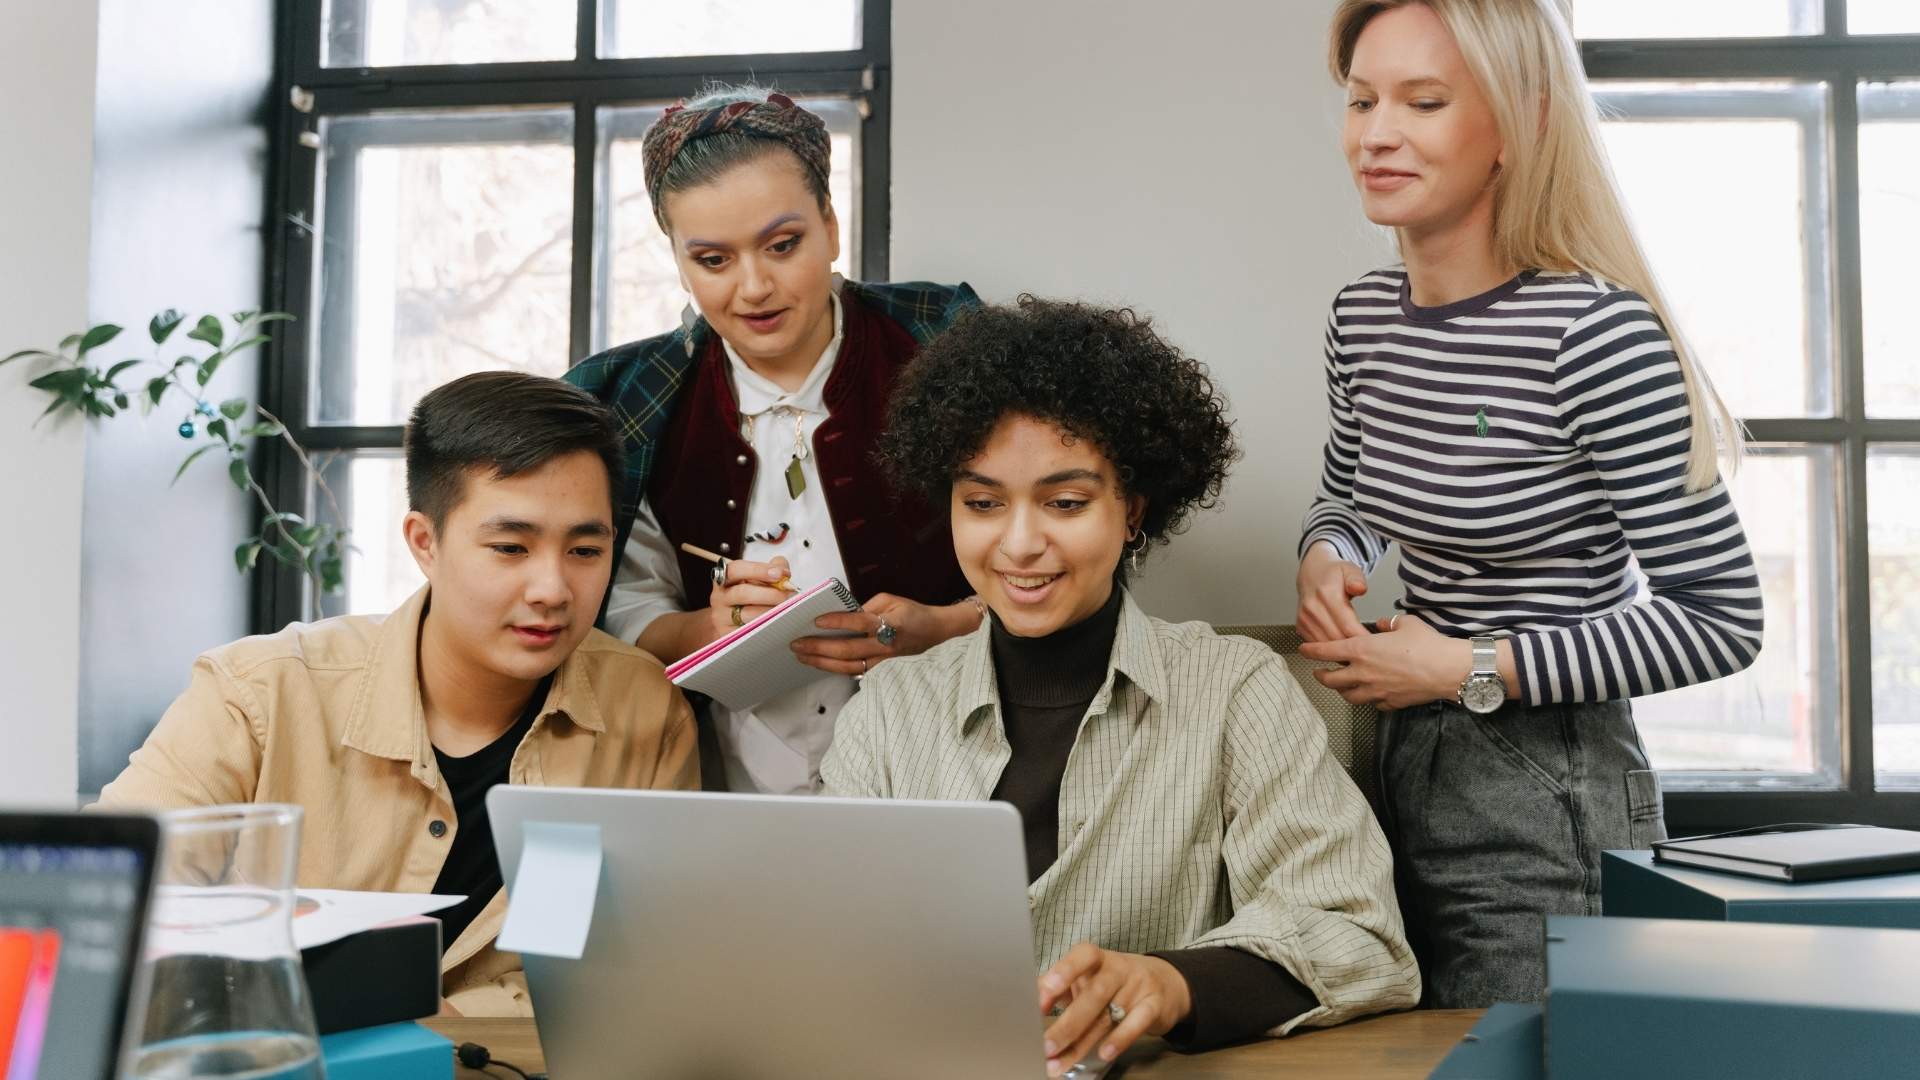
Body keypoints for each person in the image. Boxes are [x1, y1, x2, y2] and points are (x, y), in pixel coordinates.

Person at [1297, 0, 1765, 1008]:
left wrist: (1463, 666)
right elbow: (1350, 495)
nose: (1377, 133)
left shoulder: (1593, 338)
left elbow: (1721, 622)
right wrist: (1327, 555)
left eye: (1424, 101)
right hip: (1392, 765)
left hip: (1549, 786)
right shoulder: (1363, 318)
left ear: (1519, 122)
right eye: (1362, 99)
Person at [822, 298, 1419, 1075]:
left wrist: (1170, 984)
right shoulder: (892, 710)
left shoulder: (1234, 691)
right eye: (982, 503)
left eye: (1065, 503)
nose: (1021, 543)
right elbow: (826, 944)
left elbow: (1362, 938)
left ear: (1132, 509)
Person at [96, 371, 698, 1016]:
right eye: (510, 547)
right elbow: (102, 906)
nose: (553, 588)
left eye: (584, 549)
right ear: (424, 542)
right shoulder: (259, 695)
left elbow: (634, 971)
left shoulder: (642, 710)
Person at [566, 84, 985, 795]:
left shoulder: (944, 342)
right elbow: (623, 608)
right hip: (727, 785)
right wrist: (706, 627)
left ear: (830, 223)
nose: (754, 287)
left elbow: (1060, 553)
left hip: (954, 769)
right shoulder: (627, 398)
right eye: (713, 260)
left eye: (782, 245)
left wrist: (942, 629)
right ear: (677, 257)